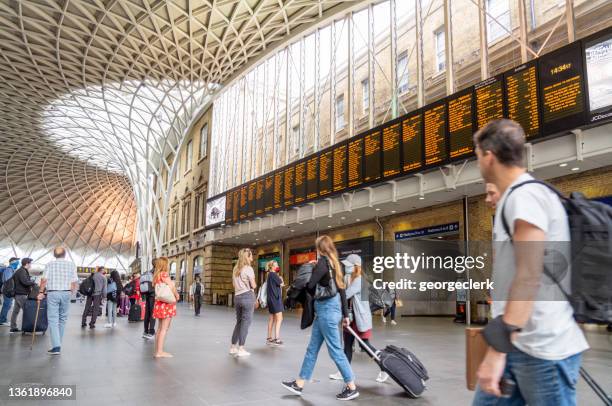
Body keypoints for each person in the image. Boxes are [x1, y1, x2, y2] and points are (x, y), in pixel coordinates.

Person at [472, 119, 588, 405]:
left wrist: (497, 350)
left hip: (543, 350)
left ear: (488, 156)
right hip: (519, 343)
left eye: (476, 155)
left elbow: (528, 275)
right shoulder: (518, 196)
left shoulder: (525, 196)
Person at [282, 235, 359, 401]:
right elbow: (343, 291)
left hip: (326, 312)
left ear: (320, 249)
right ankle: (299, 383)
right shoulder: (335, 264)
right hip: (332, 310)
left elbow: (309, 286)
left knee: (336, 351)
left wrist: (310, 269)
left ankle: (352, 386)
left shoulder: (323, 263)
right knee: (312, 349)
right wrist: (346, 315)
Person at [329, 254, 388, 383]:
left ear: (356, 267)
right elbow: (342, 292)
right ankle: (343, 371)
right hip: (349, 318)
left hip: (360, 318)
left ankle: (384, 368)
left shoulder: (361, 280)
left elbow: (345, 295)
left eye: (348, 266)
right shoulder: (347, 277)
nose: (346, 268)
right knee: (347, 346)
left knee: (365, 347)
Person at [39, 247, 78, 355]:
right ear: (65, 255)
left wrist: (41, 292)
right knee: (62, 319)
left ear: (54, 255)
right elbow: (74, 281)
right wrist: (71, 293)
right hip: (66, 293)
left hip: (53, 293)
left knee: (53, 319)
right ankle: (57, 344)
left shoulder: (49, 264)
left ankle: (56, 346)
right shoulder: (71, 264)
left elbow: (44, 280)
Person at [229, 248, 256, 357]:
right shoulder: (248, 269)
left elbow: (234, 285)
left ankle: (232, 347)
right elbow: (253, 285)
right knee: (246, 322)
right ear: (247, 257)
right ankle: (241, 348)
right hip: (247, 296)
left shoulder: (235, 269)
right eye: (251, 256)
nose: (252, 258)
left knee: (239, 322)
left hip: (237, 296)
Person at [152, 257, 178, 358]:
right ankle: (160, 352)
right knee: (164, 329)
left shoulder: (156, 276)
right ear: (164, 265)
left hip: (159, 304)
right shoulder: (164, 274)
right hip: (166, 304)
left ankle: (157, 350)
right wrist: (176, 294)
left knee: (159, 328)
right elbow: (171, 285)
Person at [9, 258, 36, 333]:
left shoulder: (21, 270)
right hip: (21, 294)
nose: (31, 265)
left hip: (18, 294)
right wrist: (33, 282)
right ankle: (28, 327)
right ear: (27, 264)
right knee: (27, 311)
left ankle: (13, 327)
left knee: (15, 311)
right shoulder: (22, 271)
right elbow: (25, 282)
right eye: (30, 263)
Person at [265, 260, 284, 346]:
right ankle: (277, 338)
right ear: (272, 266)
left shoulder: (269, 275)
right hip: (275, 299)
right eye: (276, 264)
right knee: (279, 318)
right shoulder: (274, 274)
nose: (277, 266)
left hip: (270, 299)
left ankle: (269, 337)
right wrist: (281, 279)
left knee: (272, 318)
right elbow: (282, 284)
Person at [0, 257, 20, 326]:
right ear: (13, 262)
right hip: (8, 290)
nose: (18, 262)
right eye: (17, 261)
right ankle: (2, 320)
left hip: (7, 289)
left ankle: (2, 319)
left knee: (7, 305)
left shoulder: (11, 269)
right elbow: (8, 281)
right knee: (7, 305)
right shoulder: (9, 269)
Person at [140, 261, 156, 339]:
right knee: (153, 313)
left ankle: (145, 331)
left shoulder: (148, 272)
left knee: (147, 313)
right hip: (154, 294)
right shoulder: (156, 272)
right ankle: (151, 332)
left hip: (147, 294)